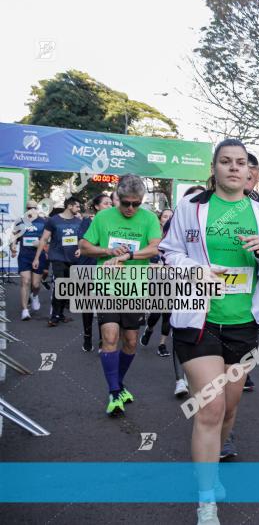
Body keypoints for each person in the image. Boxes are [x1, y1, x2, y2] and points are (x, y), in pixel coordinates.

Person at [160, 139, 259, 525]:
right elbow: (168, 252)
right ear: (214, 168)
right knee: (211, 406)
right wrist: (197, 269)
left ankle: (212, 470)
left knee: (230, 407)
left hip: (243, 323)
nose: (234, 168)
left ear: (249, 171)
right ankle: (206, 501)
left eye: (241, 163)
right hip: (197, 319)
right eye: (226, 162)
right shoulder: (192, 207)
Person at [79, 175, 162, 418]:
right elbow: (84, 246)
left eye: (136, 204)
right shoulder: (104, 217)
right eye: (125, 203)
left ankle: (119, 383)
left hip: (135, 288)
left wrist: (129, 256)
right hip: (107, 285)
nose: (130, 208)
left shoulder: (148, 218)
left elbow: (156, 247)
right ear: (117, 197)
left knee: (131, 341)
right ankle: (114, 391)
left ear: (142, 201)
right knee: (110, 335)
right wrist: (107, 250)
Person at [34, 196, 82, 326]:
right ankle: (54, 316)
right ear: (69, 206)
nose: (79, 208)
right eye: (77, 206)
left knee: (67, 288)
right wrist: (37, 257)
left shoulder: (79, 221)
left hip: (73, 259)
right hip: (58, 258)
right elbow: (44, 239)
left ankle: (60, 314)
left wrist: (81, 249)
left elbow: (82, 240)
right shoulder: (53, 220)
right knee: (60, 286)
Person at [76, 193, 113, 351]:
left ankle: (102, 340)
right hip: (87, 267)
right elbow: (83, 245)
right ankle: (87, 336)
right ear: (96, 206)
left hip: (105, 269)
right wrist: (107, 250)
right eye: (106, 204)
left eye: (111, 204)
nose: (109, 206)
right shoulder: (87, 222)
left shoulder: (113, 223)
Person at [141, 208, 175, 357]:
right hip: (155, 278)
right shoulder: (152, 236)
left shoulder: (176, 238)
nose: (167, 219)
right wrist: (153, 265)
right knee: (156, 312)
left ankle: (162, 344)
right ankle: (149, 329)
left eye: (170, 217)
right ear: (160, 219)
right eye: (165, 216)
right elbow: (142, 257)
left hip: (172, 278)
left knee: (168, 313)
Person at [10, 201, 48, 321]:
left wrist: (42, 245)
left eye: (34, 208)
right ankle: (25, 310)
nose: (31, 210)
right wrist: (13, 247)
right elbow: (14, 236)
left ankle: (34, 295)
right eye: (29, 208)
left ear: (37, 208)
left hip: (39, 255)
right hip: (24, 256)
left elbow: (48, 239)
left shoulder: (44, 222)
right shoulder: (21, 221)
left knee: (36, 284)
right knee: (25, 281)